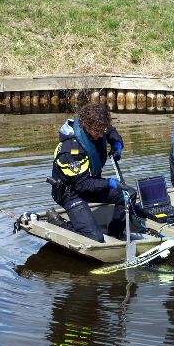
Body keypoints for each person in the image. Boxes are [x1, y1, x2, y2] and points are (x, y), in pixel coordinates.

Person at [46, 102, 134, 242]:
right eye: (96, 132)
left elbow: (111, 132)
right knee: (94, 237)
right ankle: (60, 224)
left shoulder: (99, 127)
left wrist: (117, 146)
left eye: (101, 130)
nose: (100, 135)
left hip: (90, 182)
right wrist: (109, 183)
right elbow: (82, 185)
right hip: (70, 192)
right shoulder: (71, 149)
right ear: (86, 126)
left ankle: (115, 233)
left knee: (128, 195)